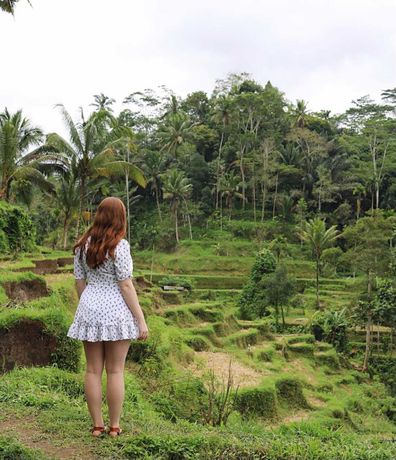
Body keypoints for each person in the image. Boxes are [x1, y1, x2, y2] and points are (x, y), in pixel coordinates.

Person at [67, 197, 149, 438]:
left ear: (99, 215)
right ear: (120, 218)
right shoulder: (119, 246)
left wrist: (87, 306)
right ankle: (114, 427)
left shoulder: (82, 245)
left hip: (89, 305)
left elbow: (79, 282)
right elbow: (125, 285)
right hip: (116, 311)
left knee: (92, 370)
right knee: (115, 371)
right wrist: (141, 320)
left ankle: (96, 426)